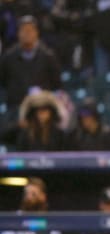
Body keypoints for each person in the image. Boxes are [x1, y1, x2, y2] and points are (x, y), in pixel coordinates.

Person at [0, 15, 61, 143]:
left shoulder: (48, 56)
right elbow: (4, 82)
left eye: (30, 30)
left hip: (42, 111)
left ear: (37, 33)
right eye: (23, 30)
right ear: (18, 33)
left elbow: (56, 84)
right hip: (16, 110)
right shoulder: (8, 58)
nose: (27, 33)